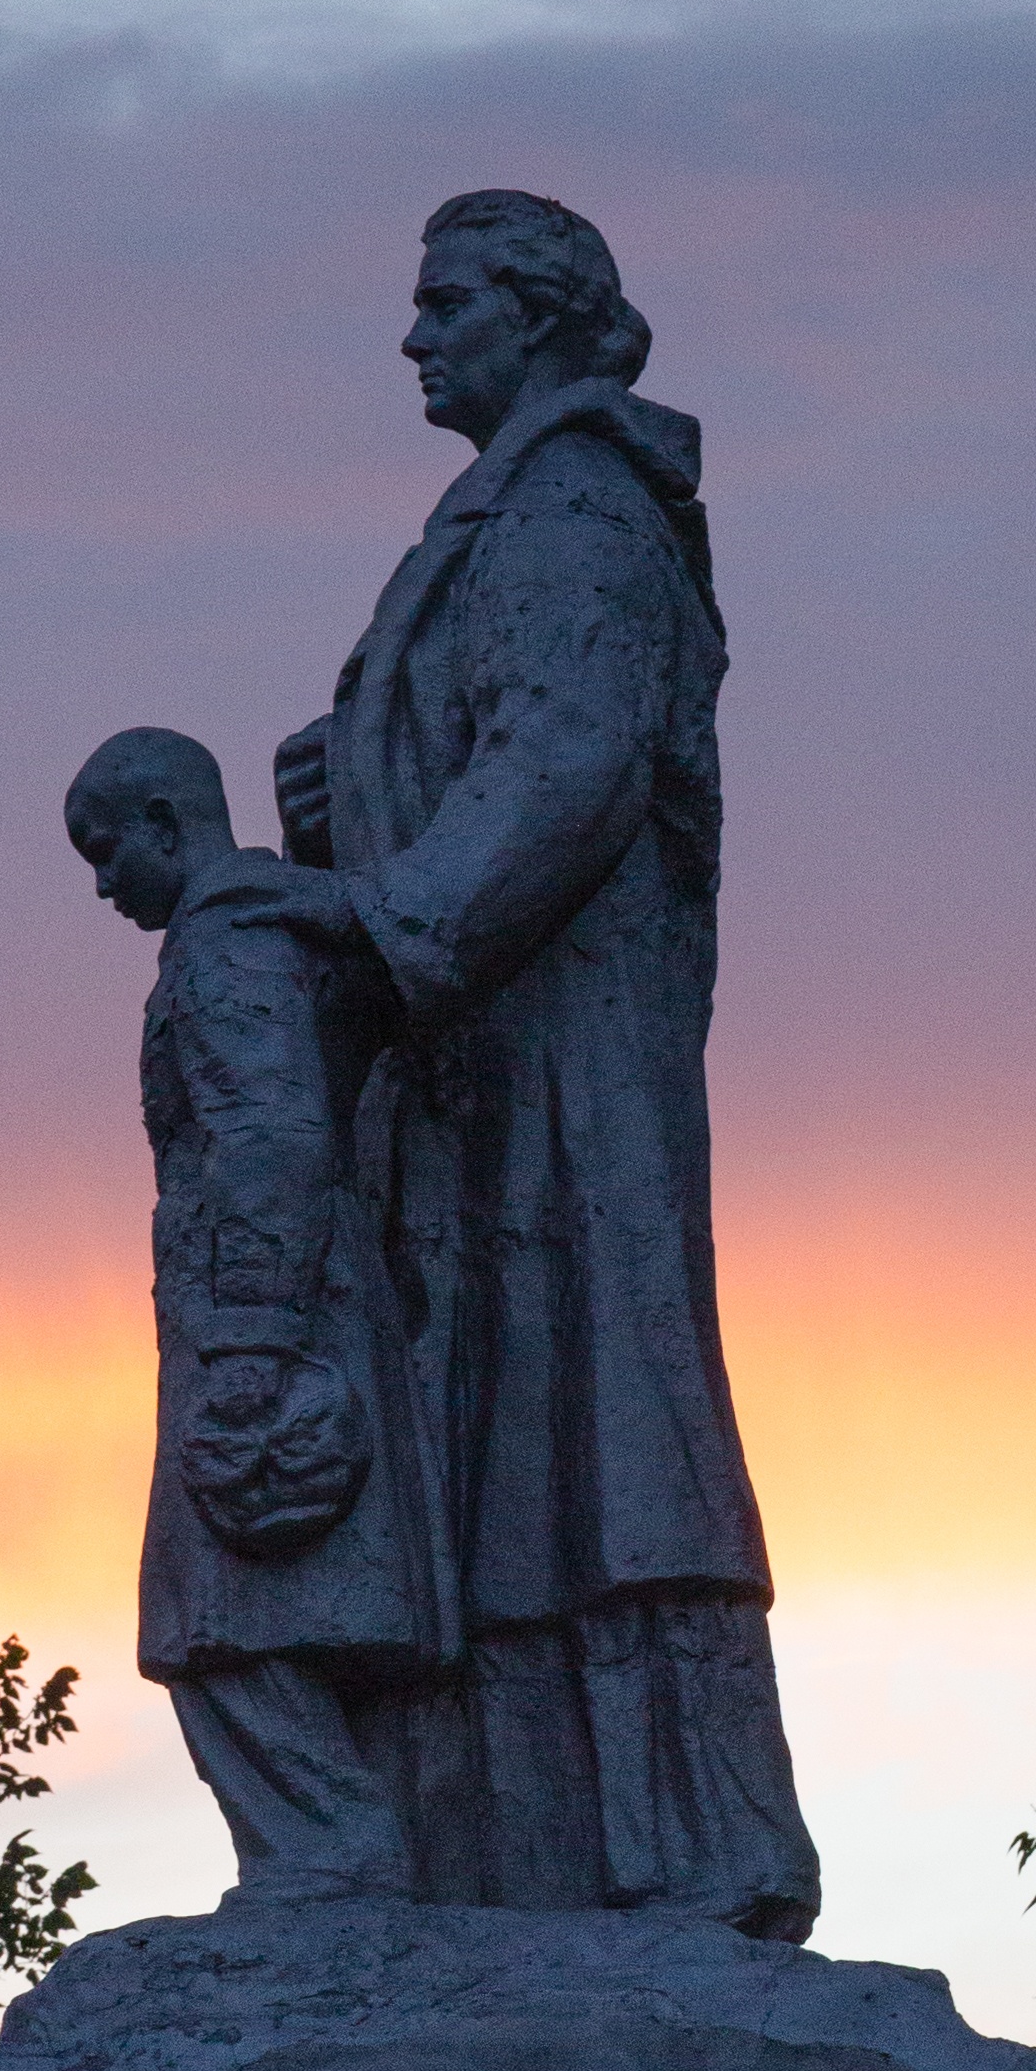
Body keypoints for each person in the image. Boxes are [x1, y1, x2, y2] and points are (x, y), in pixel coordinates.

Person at [260, 192, 819, 1940]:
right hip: (472, 1057)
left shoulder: (577, 510)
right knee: (490, 1434)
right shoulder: (510, 510)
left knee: (608, 1417)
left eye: (446, 303)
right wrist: (347, 784)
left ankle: (699, 1844)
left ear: (540, 314)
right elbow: (491, 745)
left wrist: (380, 912)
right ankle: (494, 1847)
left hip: (562, 1050)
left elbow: (562, 763)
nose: (415, 337)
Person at [65, 722, 447, 1896]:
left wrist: (250, 1340)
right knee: (241, 1614)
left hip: (269, 1322)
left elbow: (269, 1138)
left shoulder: (228, 949)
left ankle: (329, 1864)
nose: (102, 883)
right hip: (289, 1307)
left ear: (170, 826)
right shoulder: (273, 934)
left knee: (212, 1621)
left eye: (108, 847)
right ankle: (332, 1861)